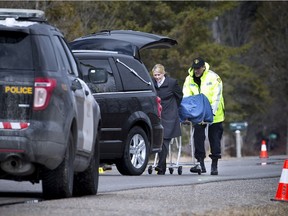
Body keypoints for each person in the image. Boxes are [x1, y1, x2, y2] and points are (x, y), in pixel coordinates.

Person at [182, 57, 225, 175]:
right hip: (198, 114)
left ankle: (214, 164)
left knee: (214, 138)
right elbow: (187, 97)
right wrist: (189, 112)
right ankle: (200, 162)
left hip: (215, 113)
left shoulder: (214, 77)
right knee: (198, 137)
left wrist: (211, 113)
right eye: (195, 68)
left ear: (204, 67)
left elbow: (217, 96)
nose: (196, 71)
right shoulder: (189, 79)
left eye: (199, 68)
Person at [152, 64, 183, 175]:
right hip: (158, 114)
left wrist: (173, 108)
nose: (157, 77)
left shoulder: (172, 83)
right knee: (159, 140)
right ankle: (162, 166)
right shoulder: (152, 83)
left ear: (163, 73)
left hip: (170, 114)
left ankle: (160, 166)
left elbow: (179, 96)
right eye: (155, 75)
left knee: (164, 140)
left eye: (159, 74)